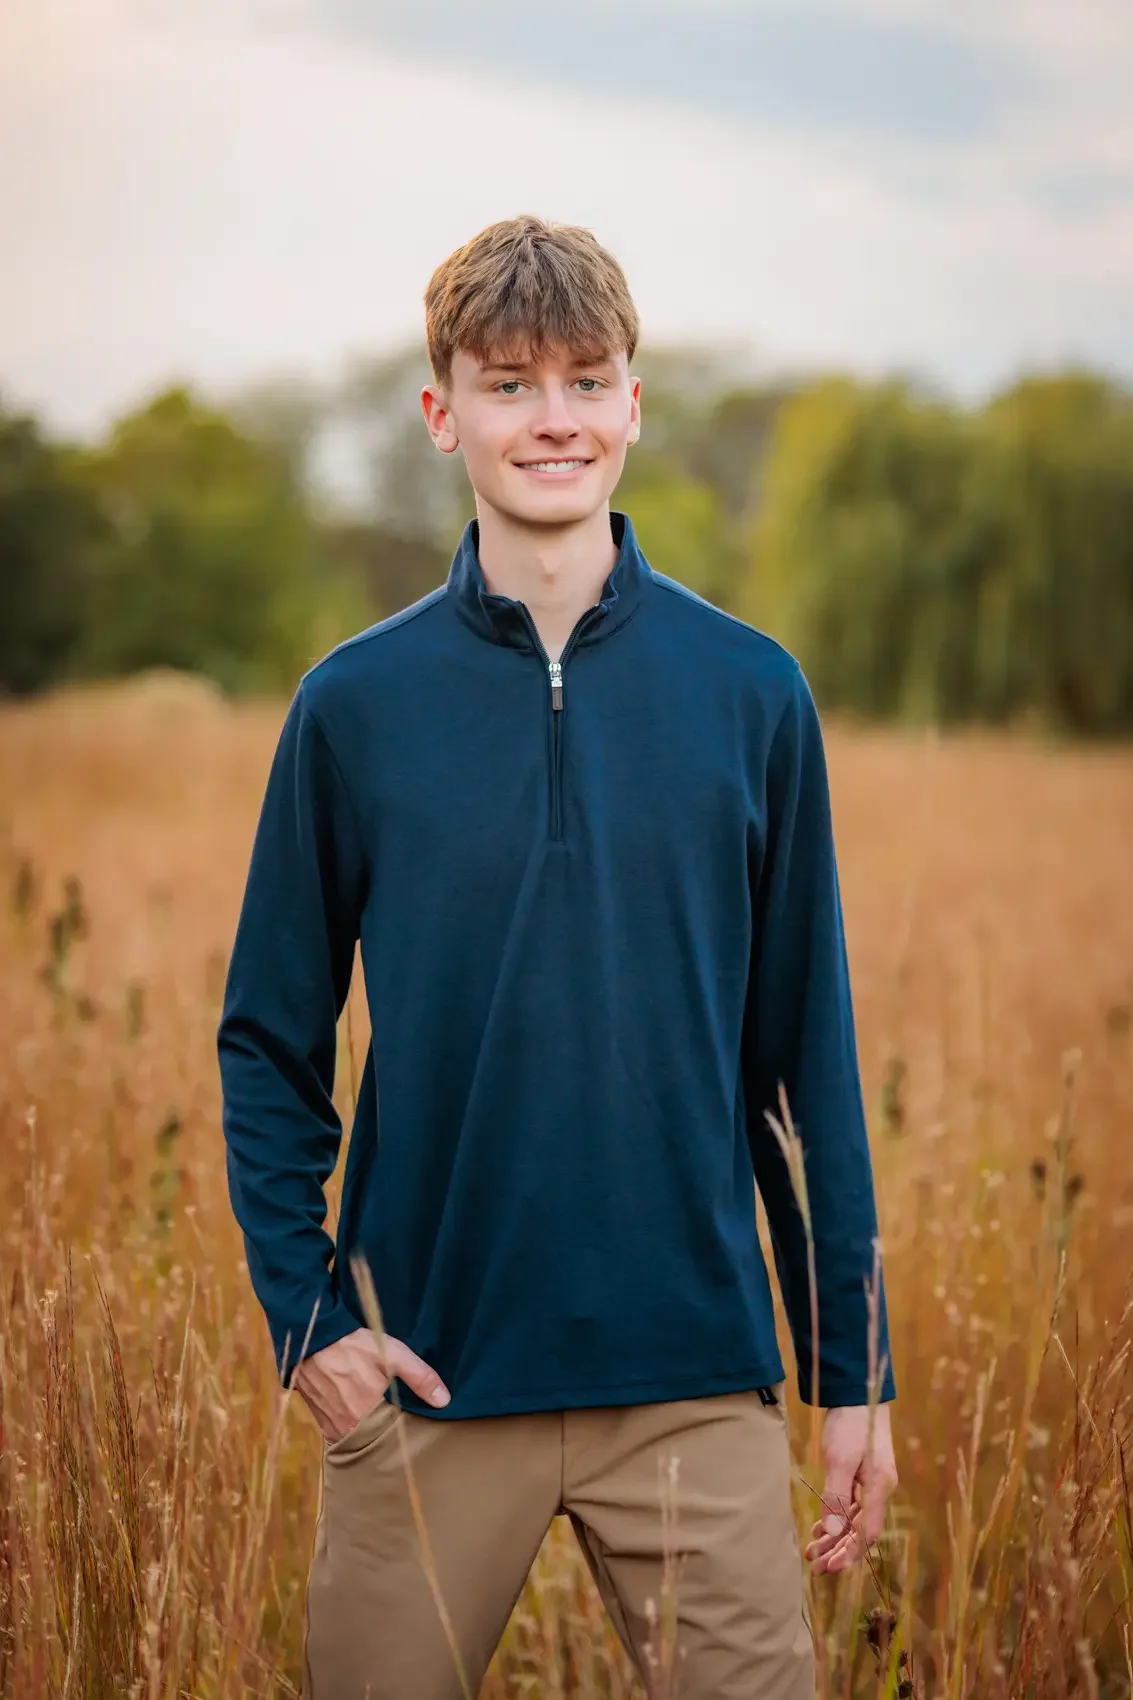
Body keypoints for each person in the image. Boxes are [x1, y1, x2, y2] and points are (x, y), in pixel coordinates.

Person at [217, 214, 898, 1700]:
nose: (554, 419)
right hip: (430, 1379)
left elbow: (806, 1061)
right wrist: (309, 1320)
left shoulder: (752, 695)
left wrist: (855, 1375)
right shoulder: (353, 708)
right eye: (510, 383)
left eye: (586, 382)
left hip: (695, 1380)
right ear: (441, 411)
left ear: (634, 404)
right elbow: (267, 1040)